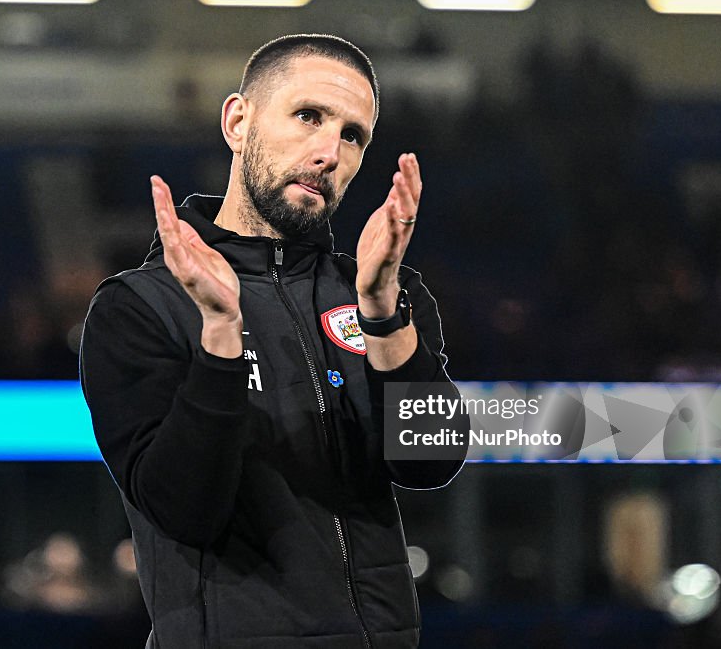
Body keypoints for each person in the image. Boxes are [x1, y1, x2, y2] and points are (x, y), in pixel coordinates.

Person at [80, 33, 468, 648]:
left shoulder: (382, 291)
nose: (328, 152)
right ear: (238, 121)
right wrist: (221, 337)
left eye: (352, 136)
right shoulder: (140, 308)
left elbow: (432, 461)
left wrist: (382, 315)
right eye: (309, 116)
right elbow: (185, 509)